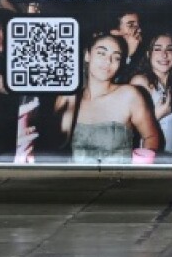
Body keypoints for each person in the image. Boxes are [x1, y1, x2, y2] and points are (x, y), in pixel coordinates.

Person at [54, 32, 159, 164]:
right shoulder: (69, 98)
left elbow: (151, 137)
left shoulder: (129, 95)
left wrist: (139, 169)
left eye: (115, 57)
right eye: (101, 53)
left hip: (119, 181)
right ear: (87, 55)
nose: (108, 61)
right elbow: (56, 146)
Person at [129, 32, 172, 154]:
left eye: (169, 49)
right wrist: (158, 115)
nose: (164, 55)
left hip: (170, 159)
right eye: (157, 49)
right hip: (148, 159)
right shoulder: (140, 82)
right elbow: (128, 130)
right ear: (149, 54)